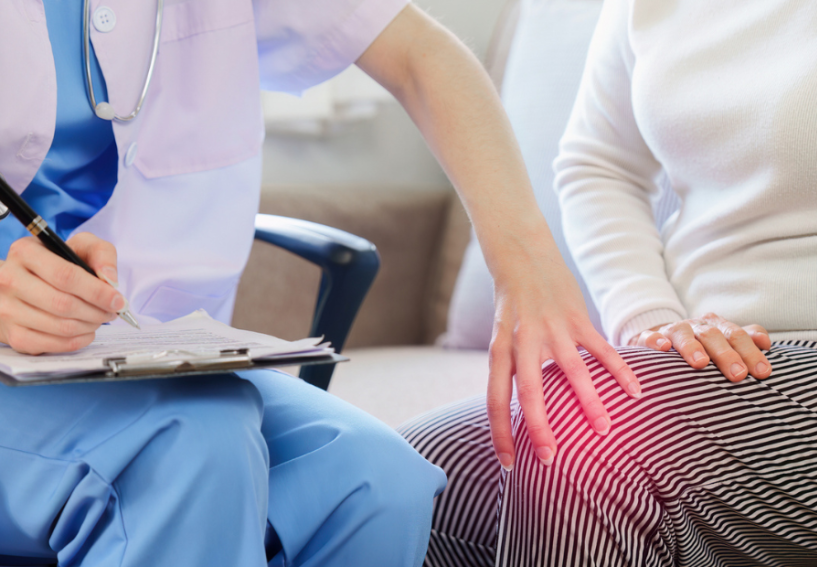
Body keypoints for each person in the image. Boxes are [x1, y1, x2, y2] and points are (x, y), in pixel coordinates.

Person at [0, 0, 626, 565]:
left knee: (374, 482)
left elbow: (419, 55)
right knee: (189, 446)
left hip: (141, 358)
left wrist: (529, 270)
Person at [401, 0, 817, 565]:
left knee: (579, 436)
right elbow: (598, 163)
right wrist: (653, 321)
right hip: (701, 350)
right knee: (394, 474)